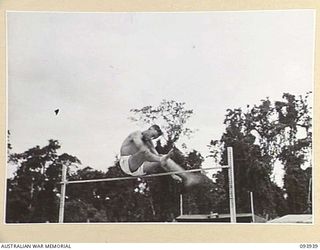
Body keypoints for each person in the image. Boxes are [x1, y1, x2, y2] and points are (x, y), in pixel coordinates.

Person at [119, 125, 200, 188]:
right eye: (153, 135)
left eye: (154, 138)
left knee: (163, 157)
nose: (152, 138)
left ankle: (188, 177)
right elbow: (141, 147)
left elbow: (159, 158)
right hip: (126, 163)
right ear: (150, 128)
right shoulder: (136, 134)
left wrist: (172, 174)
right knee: (146, 152)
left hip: (140, 168)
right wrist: (160, 158)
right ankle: (163, 159)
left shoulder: (149, 142)